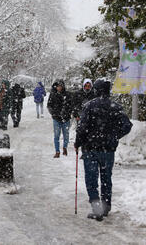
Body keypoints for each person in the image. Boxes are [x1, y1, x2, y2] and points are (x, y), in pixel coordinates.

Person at [74, 79, 132, 221]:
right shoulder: (115, 107)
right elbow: (127, 125)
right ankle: (106, 208)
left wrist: (78, 143)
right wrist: (114, 136)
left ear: (96, 90)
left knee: (91, 180)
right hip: (108, 150)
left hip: (91, 149)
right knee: (106, 179)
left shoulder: (90, 106)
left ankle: (97, 208)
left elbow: (82, 128)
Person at [47, 79, 72, 158]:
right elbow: (49, 105)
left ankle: (65, 147)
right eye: (58, 86)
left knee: (66, 135)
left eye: (61, 86)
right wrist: (54, 113)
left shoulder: (67, 94)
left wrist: (68, 112)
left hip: (66, 118)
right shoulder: (53, 95)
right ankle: (57, 151)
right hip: (56, 119)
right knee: (56, 135)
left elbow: (71, 105)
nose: (59, 88)